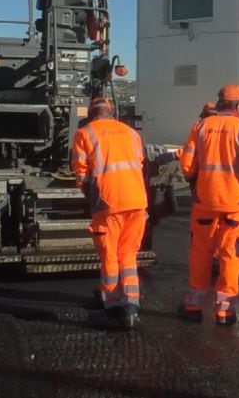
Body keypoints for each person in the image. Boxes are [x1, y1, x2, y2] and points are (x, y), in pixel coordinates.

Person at [177, 85, 239, 326]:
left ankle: (194, 305)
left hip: (204, 202)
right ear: (238, 106)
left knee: (200, 253)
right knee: (230, 255)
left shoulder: (200, 126)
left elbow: (186, 166)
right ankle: (225, 312)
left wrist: (196, 182)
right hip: (234, 205)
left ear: (219, 104)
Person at [71, 97, 149, 331]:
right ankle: (131, 304)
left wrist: (89, 194)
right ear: (111, 112)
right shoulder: (130, 132)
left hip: (109, 203)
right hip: (137, 201)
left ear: (91, 115)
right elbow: (140, 161)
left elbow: (81, 172)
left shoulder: (84, 133)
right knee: (128, 255)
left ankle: (113, 305)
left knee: (110, 256)